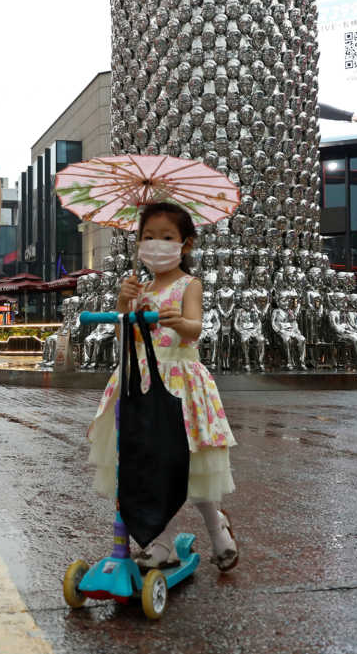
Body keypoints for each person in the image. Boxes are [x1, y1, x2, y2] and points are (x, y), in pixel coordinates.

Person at [88, 202, 239, 572]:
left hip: (179, 383)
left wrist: (178, 321)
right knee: (144, 464)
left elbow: (195, 328)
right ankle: (158, 541)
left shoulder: (190, 284)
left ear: (185, 244)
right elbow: (125, 328)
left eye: (166, 237)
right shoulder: (139, 287)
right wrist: (124, 301)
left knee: (187, 462)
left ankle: (216, 525)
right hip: (138, 381)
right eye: (148, 237)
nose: (156, 244)